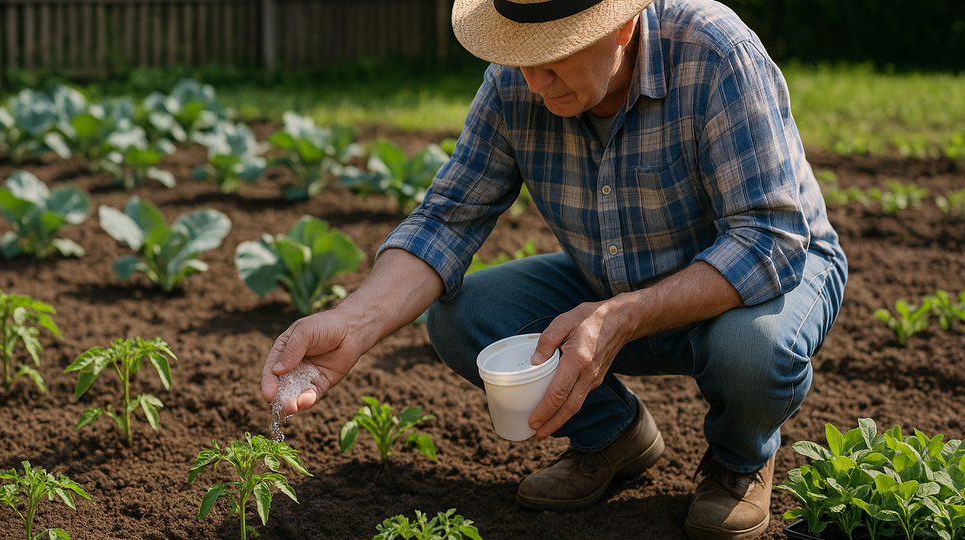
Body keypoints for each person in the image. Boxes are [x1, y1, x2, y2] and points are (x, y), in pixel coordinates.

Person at [261, 0, 847, 538]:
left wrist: (622, 316)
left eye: (553, 55)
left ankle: (739, 461)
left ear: (623, 26)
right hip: (614, 277)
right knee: (464, 316)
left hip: (771, 276)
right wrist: (355, 322)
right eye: (521, 55)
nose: (532, 81)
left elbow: (768, 239)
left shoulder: (715, 54)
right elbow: (447, 220)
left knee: (753, 349)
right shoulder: (514, 83)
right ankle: (613, 438)